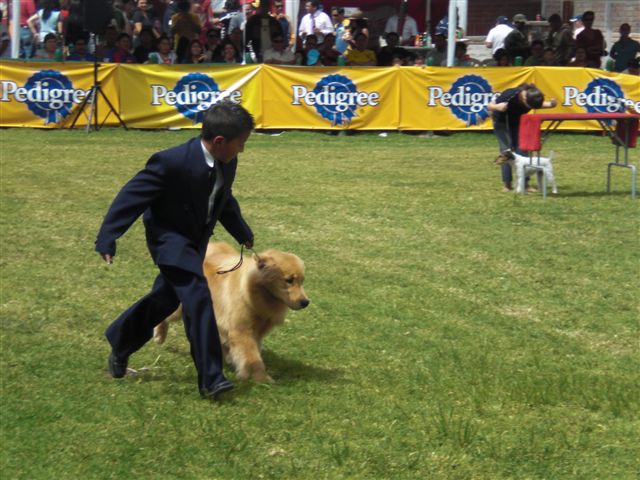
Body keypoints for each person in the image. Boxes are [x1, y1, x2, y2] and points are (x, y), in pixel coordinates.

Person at [96, 101, 255, 401]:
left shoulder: (227, 161)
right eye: (241, 144)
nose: (242, 150)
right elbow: (132, 195)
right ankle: (211, 378)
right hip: (169, 241)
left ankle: (121, 341)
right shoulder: (171, 162)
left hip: (195, 241)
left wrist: (241, 231)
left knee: (165, 299)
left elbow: (223, 198)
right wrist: (108, 236)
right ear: (219, 141)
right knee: (197, 295)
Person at [487, 83, 557, 192]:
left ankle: (525, 183)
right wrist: (497, 107)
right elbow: (490, 106)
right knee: (506, 151)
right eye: (528, 106)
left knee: (522, 149)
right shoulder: (510, 94)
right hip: (502, 122)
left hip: (517, 122)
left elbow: (538, 104)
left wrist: (551, 104)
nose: (528, 108)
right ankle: (507, 184)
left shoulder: (531, 97)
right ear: (524, 98)